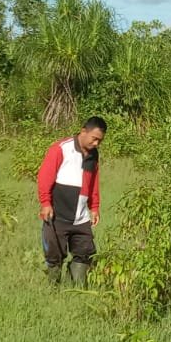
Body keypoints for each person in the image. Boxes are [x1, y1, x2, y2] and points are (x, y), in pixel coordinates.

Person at [36, 116, 105, 285]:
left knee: (85, 253)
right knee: (54, 256)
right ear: (83, 131)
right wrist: (45, 203)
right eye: (94, 139)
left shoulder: (93, 155)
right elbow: (45, 177)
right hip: (57, 216)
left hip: (81, 218)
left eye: (100, 141)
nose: (96, 143)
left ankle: (76, 290)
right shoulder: (61, 149)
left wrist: (94, 207)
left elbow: (93, 182)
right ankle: (52, 291)